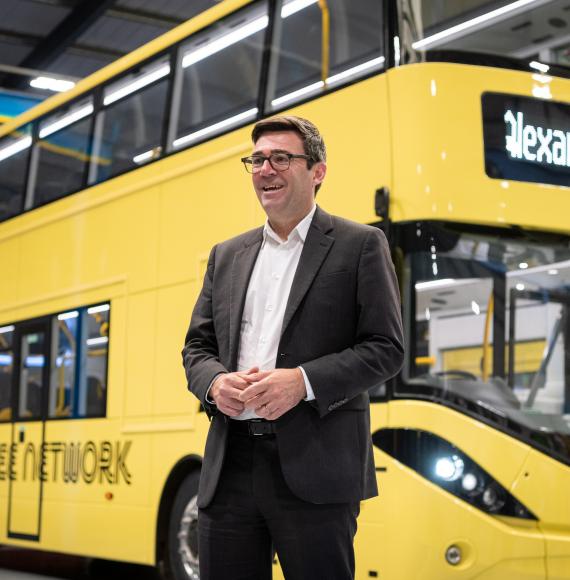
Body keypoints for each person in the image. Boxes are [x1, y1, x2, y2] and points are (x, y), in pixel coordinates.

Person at [182, 116, 404, 580]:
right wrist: (215, 383)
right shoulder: (226, 255)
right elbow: (197, 348)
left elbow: (386, 348)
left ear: (317, 171)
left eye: (281, 158)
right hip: (230, 467)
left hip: (316, 469)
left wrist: (301, 383)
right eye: (257, 160)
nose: (266, 169)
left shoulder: (360, 245)